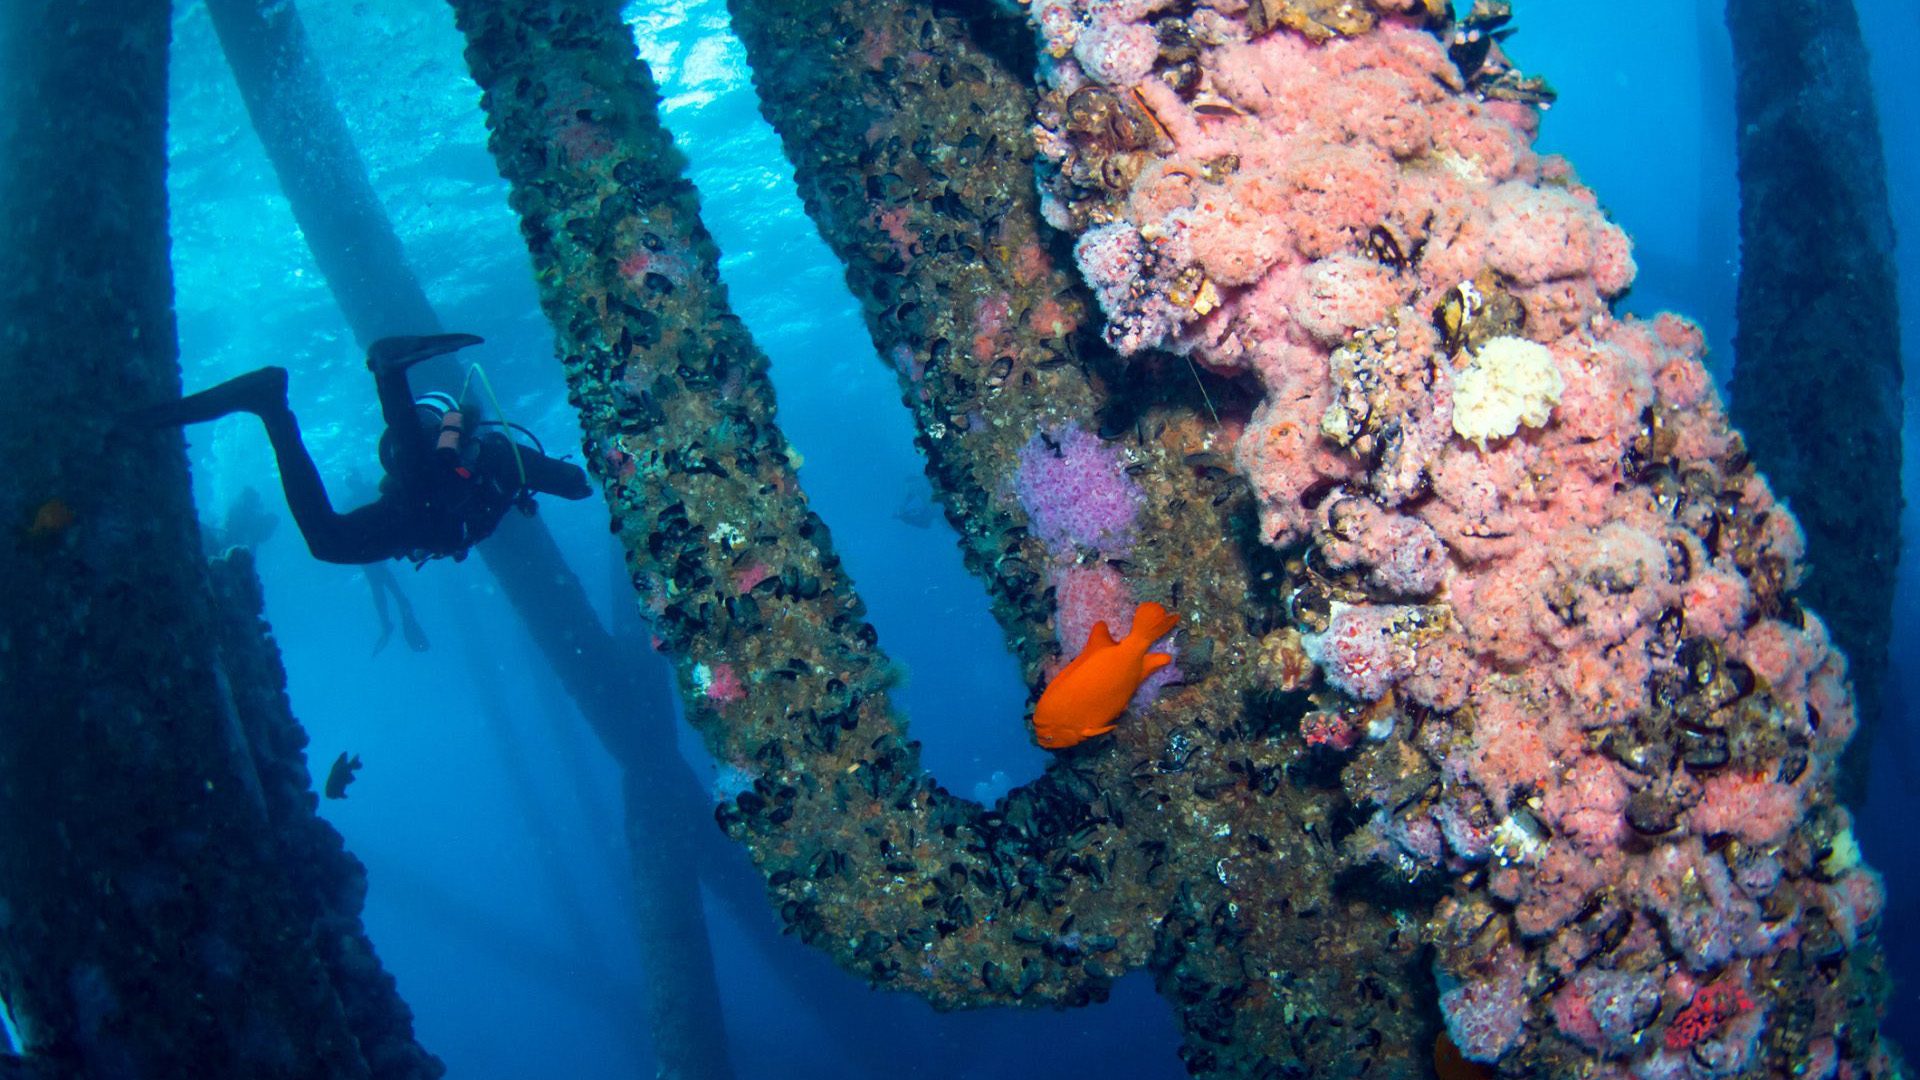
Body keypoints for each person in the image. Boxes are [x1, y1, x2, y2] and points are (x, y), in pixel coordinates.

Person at [137, 333, 592, 565]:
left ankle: (274, 403)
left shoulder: (486, 452)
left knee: (329, 540)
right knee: (346, 532)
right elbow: (575, 486)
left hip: (409, 513)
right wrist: (543, 478)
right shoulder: (498, 453)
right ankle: (381, 373)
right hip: (427, 515)